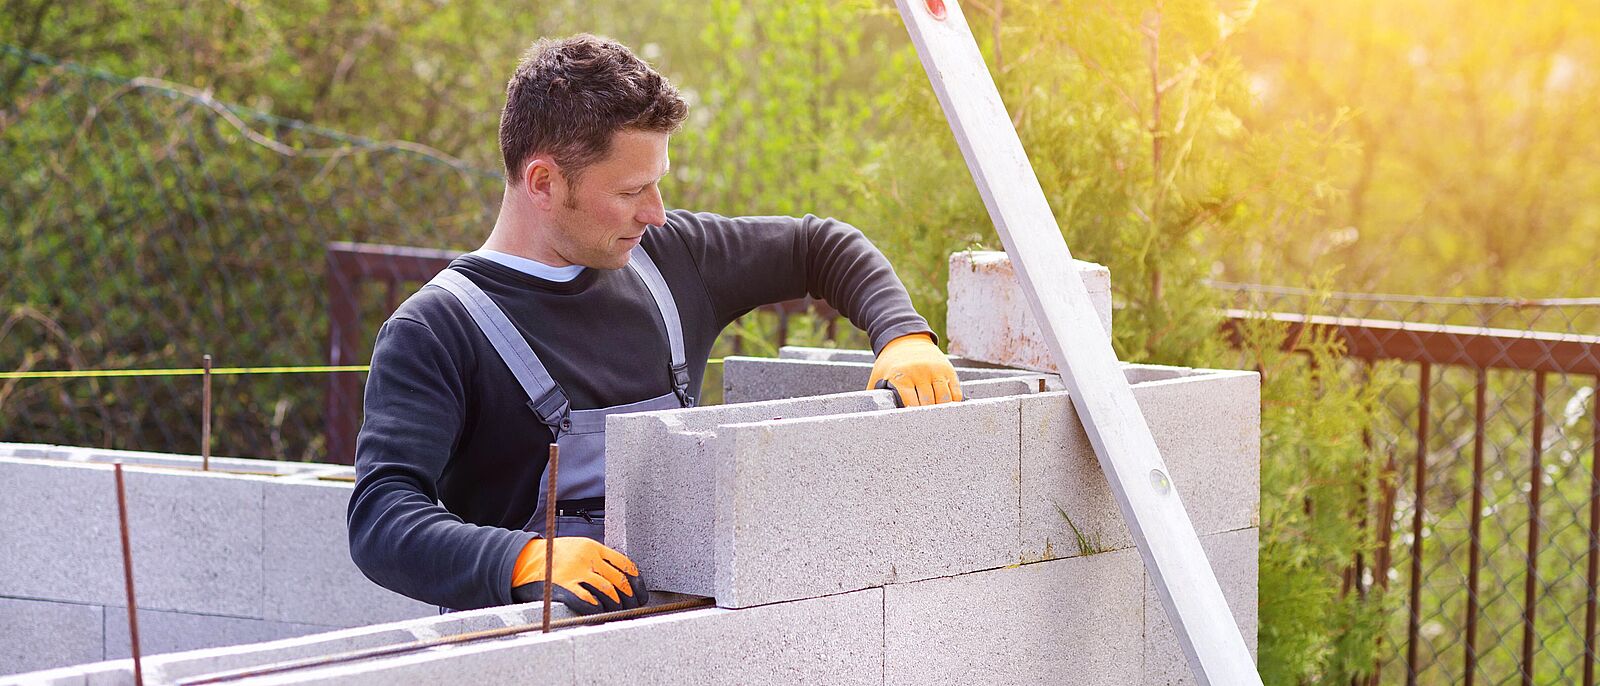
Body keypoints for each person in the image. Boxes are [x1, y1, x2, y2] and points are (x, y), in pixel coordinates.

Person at [347, 34, 962, 616]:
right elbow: (381, 517)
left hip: (677, 639)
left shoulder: (671, 260)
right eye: (631, 191)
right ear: (543, 182)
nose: (655, 212)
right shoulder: (437, 330)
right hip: (522, 654)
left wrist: (904, 336)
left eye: (658, 185)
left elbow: (818, 245)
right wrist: (521, 557)